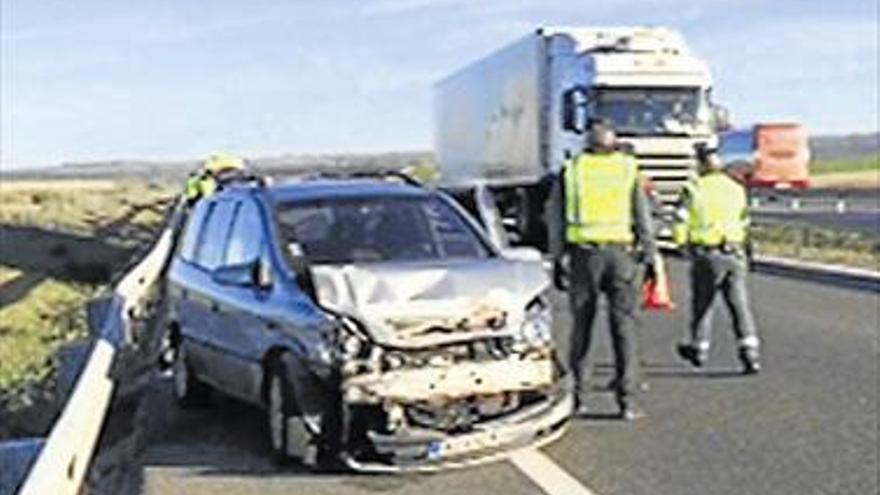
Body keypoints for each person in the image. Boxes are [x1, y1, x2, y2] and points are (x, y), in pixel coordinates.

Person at [557, 119, 658, 420]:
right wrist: (651, 255)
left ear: (587, 142)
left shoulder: (573, 170)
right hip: (621, 256)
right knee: (624, 328)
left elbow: (556, 218)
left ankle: (578, 397)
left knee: (582, 328)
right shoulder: (627, 169)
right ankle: (627, 401)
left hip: (583, 257)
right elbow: (643, 217)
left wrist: (558, 257)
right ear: (613, 142)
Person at [672, 144, 761, 374]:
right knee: (739, 306)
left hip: (706, 254)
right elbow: (744, 222)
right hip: (735, 252)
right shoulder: (735, 188)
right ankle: (750, 354)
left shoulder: (693, 189)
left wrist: (681, 244)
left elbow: (680, 220)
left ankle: (699, 348)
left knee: (702, 304)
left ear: (700, 165)